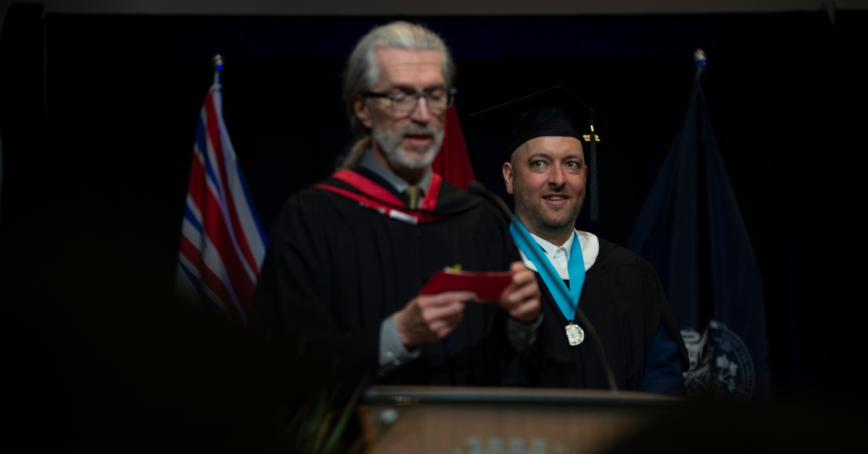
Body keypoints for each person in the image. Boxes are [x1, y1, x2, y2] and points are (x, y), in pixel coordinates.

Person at [249, 22, 541, 385]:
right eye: (401, 96)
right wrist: (399, 335)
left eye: (434, 95)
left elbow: (515, 368)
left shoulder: (479, 219)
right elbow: (281, 363)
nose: (422, 114)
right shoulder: (312, 218)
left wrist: (524, 323)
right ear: (363, 108)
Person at [472, 86, 689, 394]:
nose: (558, 179)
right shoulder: (483, 274)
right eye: (539, 163)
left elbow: (664, 384)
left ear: (585, 176)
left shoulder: (632, 274)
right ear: (509, 177)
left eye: (571, 164)